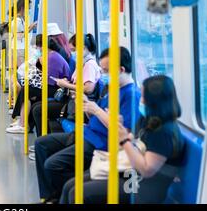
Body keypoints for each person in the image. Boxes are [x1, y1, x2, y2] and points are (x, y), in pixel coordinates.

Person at [34, 47, 141, 202]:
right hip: (87, 133)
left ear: (120, 69)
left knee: (52, 165)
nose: (103, 74)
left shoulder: (131, 95)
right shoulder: (112, 89)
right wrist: (86, 107)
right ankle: (49, 196)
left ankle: (59, 196)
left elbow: (124, 132)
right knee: (41, 144)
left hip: (100, 144)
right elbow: (97, 117)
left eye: (106, 70)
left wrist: (97, 111)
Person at [60, 75, 185, 204]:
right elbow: (135, 142)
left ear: (155, 100)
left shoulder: (164, 133)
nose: (141, 101)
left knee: (78, 192)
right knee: (70, 185)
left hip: (140, 187)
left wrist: (124, 140)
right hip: (130, 172)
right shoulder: (150, 121)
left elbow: (146, 169)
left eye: (143, 97)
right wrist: (118, 127)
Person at [29, 33, 101, 159]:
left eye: (74, 50)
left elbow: (88, 89)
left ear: (83, 48)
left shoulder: (89, 65)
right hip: (72, 100)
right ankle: (44, 143)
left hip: (79, 105)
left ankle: (45, 146)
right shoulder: (82, 63)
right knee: (37, 106)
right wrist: (66, 83)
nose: (72, 53)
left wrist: (65, 85)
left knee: (38, 110)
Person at [6, 34, 70, 134]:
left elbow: (49, 81)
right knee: (27, 89)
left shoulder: (52, 58)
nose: (37, 48)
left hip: (58, 89)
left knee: (27, 90)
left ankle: (22, 123)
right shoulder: (51, 55)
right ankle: (24, 122)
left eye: (38, 46)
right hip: (55, 86)